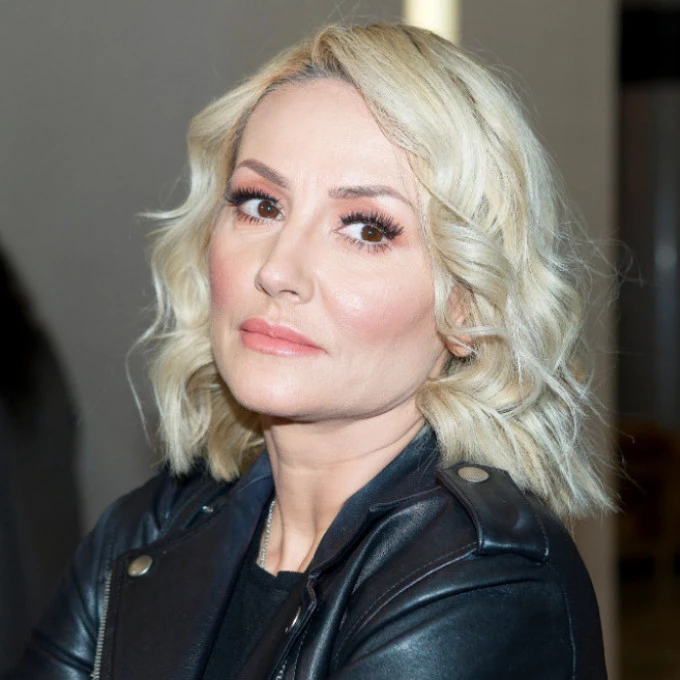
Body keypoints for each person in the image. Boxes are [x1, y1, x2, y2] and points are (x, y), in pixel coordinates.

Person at [10, 22, 612, 680]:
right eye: (260, 205)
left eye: (366, 229)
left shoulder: (486, 581)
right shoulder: (150, 530)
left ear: (466, 304)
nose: (277, 270)